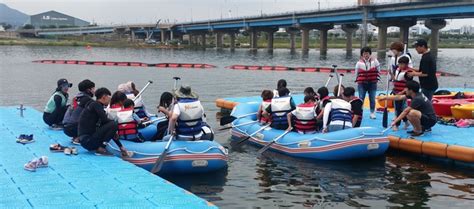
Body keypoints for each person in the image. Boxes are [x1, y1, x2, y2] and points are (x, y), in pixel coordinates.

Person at [78, 87, 129, 156]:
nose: (110, 99)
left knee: (111, 125)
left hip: (86, 141)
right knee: (113, 124)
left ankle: (105, 147)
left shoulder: (94, 106)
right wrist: (115, 128)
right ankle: (101, 148)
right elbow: (107, 121)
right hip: (88, 140)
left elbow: (106, 125)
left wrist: (120, 146)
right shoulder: (96, 105)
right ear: (104, 97)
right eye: (109, 97)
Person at [62, 79, 95, 144]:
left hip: (65, 127)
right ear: (89, 90)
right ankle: (79, 138)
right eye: (93, 88)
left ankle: (75, 136)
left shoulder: (77, 97)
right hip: (73, 128)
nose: (94, 90)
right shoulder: (87, 99)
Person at [355, 47, 380, 120]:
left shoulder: (375, 61)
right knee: (361, 98)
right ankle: (360, 113)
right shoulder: (358, 63)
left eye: (367, 53)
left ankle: (372, 113)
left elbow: (378, 70)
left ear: (370, 54)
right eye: (364, 53)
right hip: (362, 83)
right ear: (362, 55)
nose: (366, 55)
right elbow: (356, 73)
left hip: (372, 83)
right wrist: (358, 80)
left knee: (372, 98)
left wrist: (375, 79)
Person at [392, 56, 413, 131]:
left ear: (406, 64)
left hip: (402, 93)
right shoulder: (397, 69)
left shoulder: (408, 72)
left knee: (398, 109)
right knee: (399, 109)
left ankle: (396, 125)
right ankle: (406, 122)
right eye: (399, 64)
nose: (400, 65)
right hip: (396, 92)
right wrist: (391, 74)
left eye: (402, 64)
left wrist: (402, 92)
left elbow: (408, 85)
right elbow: (395, 79)